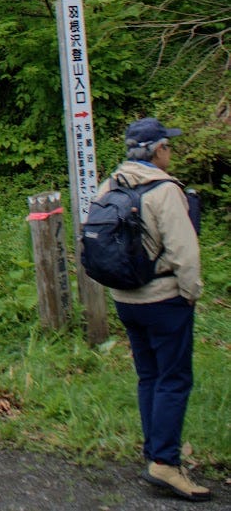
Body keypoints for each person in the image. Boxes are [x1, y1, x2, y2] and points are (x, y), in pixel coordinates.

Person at [97, 117, 208, 502]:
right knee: (173, 379)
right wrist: (191, 293)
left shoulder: (109, 185)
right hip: (164, 300)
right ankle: (164, 462)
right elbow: (185, 252)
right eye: (168, 146)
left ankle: (154, 452)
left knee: (149, 376)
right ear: (158, 150)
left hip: (125, 300)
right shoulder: (165, 191)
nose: (170, 152)